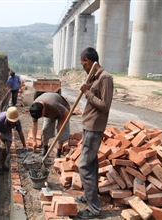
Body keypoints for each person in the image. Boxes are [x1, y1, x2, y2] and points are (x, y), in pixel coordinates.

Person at [75, 47, 113, 219]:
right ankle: (89, 196)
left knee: (84, 165)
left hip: (94, 128)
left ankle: (94, 209)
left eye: (83, 64)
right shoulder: (97, 77)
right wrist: (89, 88)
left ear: (89, 62)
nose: (83, 67)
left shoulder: (106, 78)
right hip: (89, 126)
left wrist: (87, 93)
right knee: (91, 164)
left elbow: (105, 105)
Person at [29, 92, 70, 158]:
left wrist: (60, 123)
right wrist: (34, 141)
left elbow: (66, 112)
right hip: (51, 112)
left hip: (63, 110)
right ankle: (45, 150)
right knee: (45, 129)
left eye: (41, 116)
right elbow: (34, 124)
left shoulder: (52, 104)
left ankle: (58, 153)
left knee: (61, 131)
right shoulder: (35, 108)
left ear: (43, 111)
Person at [0, 106, 27, 175]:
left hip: (7, 130)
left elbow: (20, 133)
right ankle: (0, 166)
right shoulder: (0, 120)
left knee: (7, 148)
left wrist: (24, 146)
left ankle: (3, 163)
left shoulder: (17, 122)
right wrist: (1, 142)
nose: (12, 122)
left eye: (13, 121)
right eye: (11, 121)